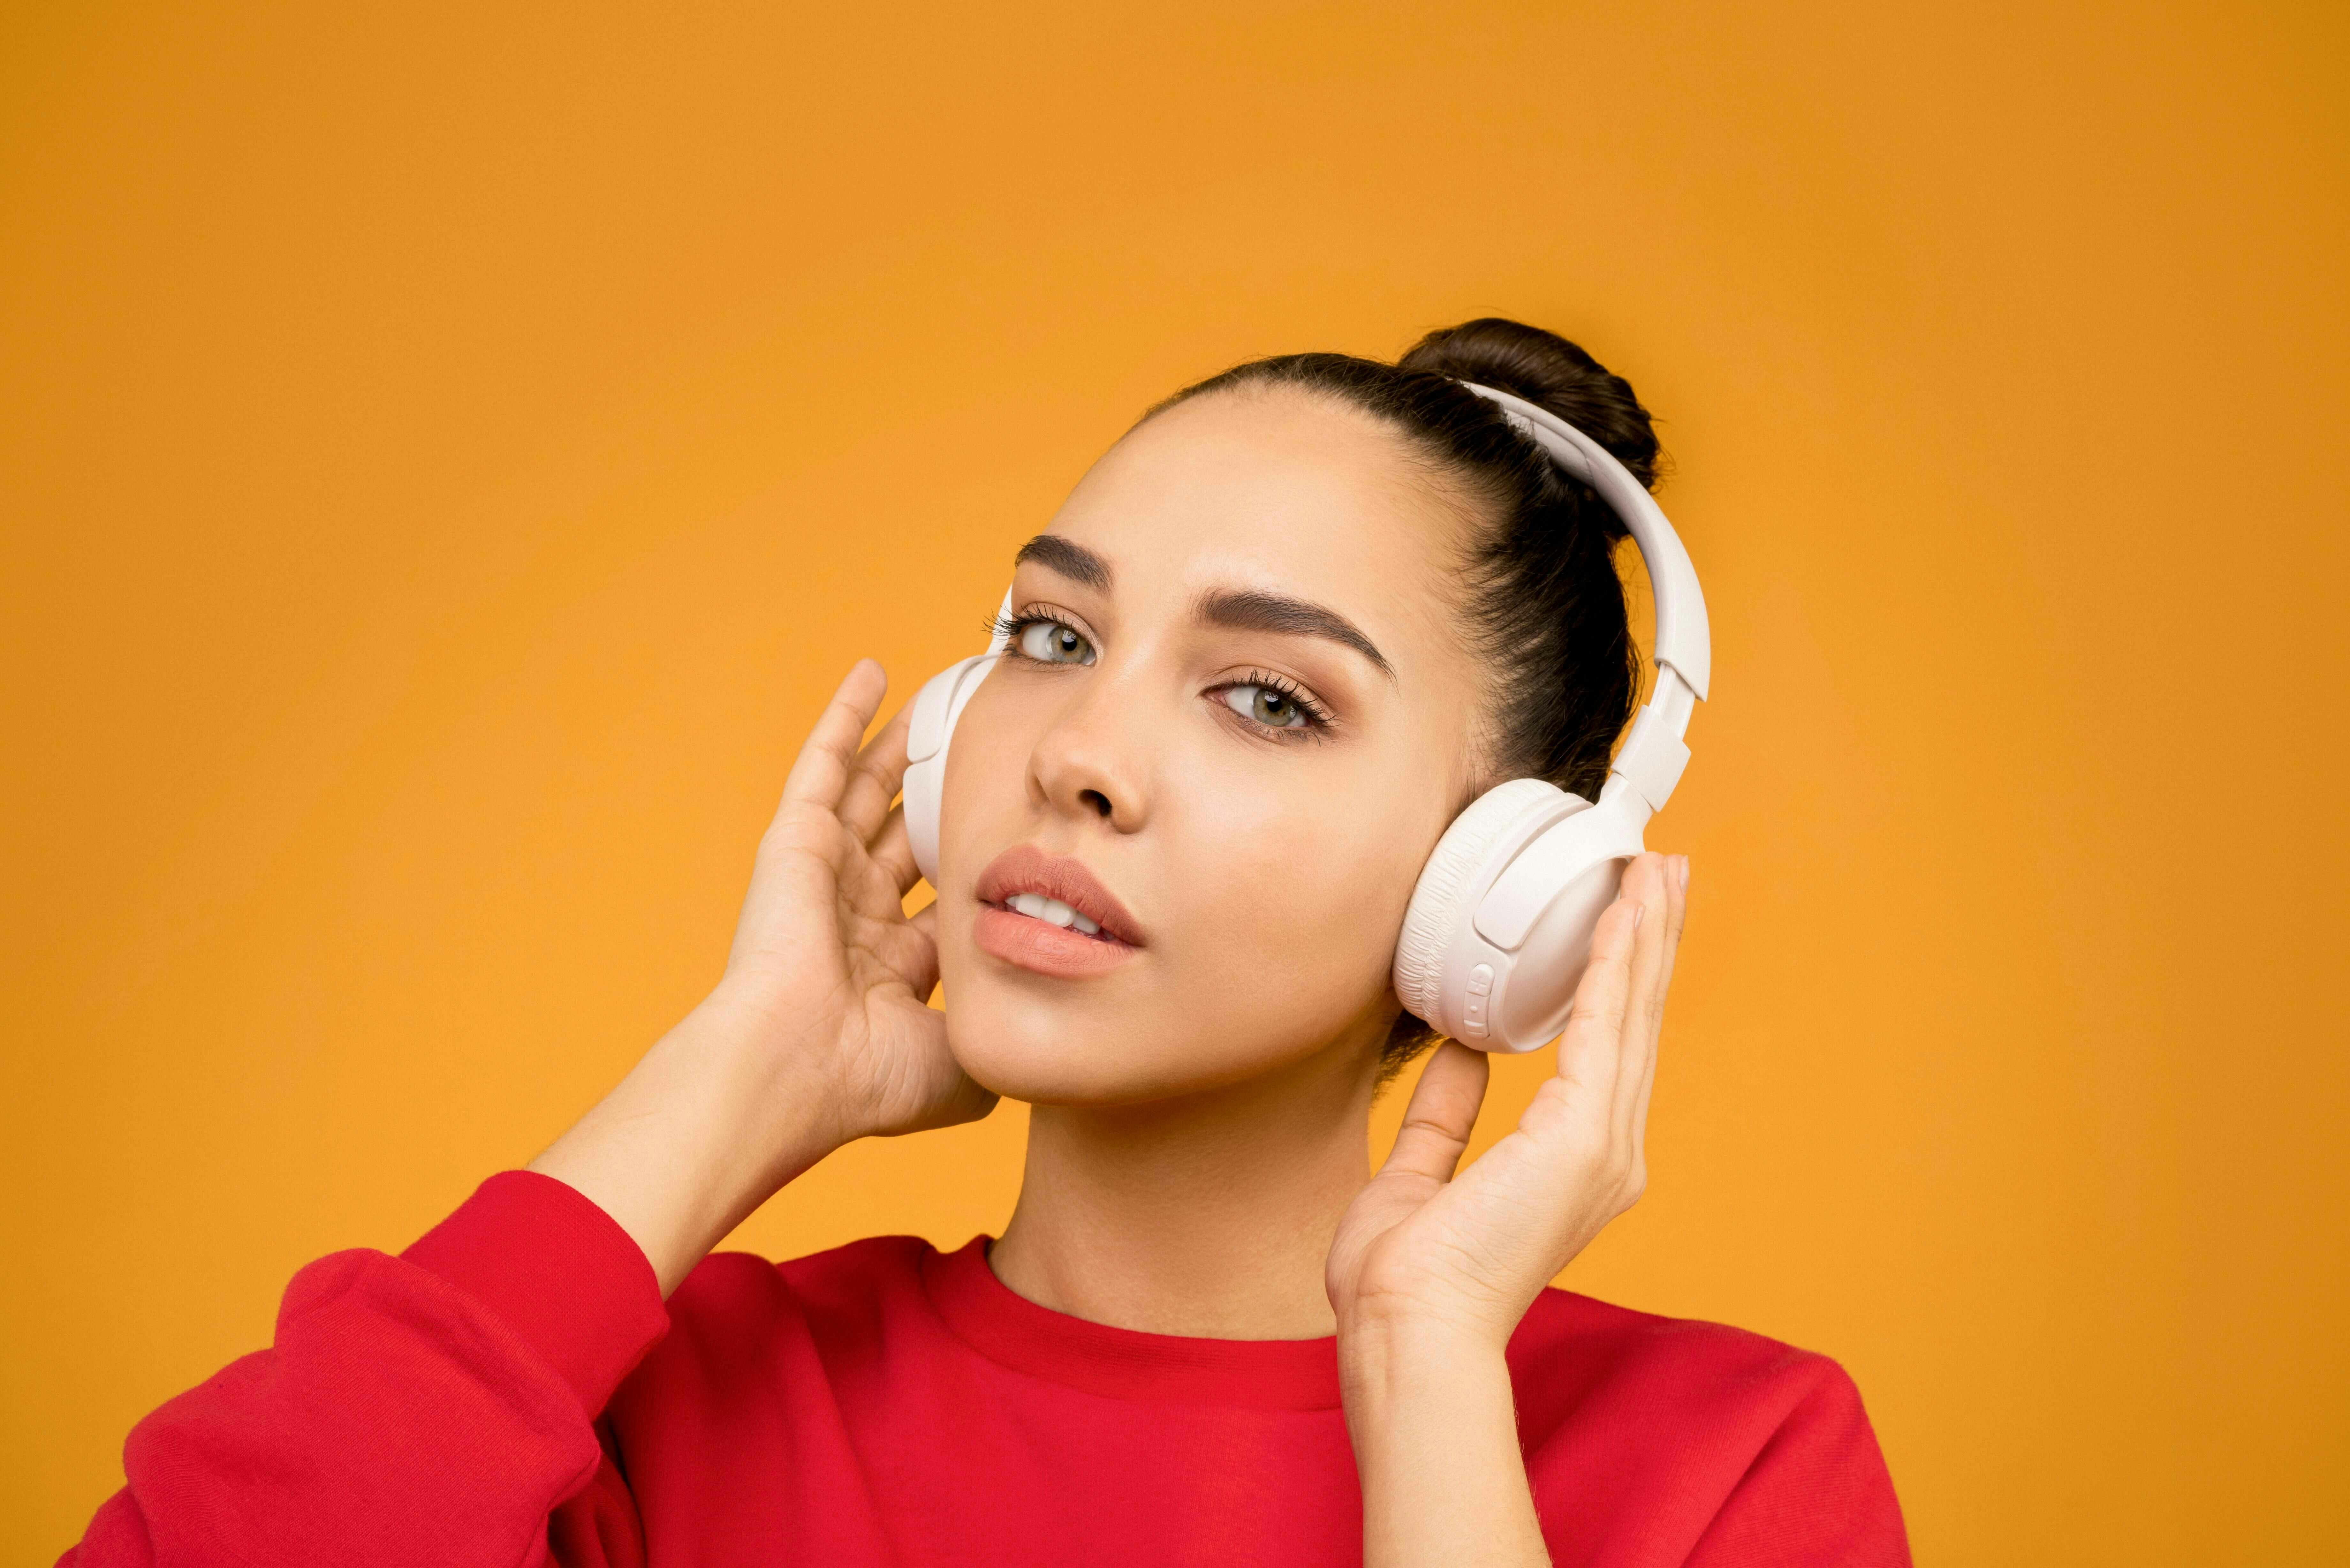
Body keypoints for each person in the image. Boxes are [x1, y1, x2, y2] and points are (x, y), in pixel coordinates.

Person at [60, 319, 1910, 1566]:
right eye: (1051, 638)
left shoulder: (1725, 1470)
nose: (1082, 757)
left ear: (1505, 891)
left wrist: (1427, 1373)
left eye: (1266, 698)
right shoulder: (650, 1413)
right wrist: (747, 1067)